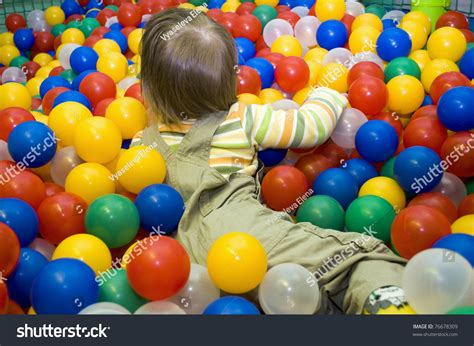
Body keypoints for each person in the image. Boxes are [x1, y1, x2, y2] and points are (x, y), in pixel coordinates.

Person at [132, 8, 413, 314]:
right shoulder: (240, 118)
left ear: (148, 86)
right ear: (230, 78)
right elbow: (310, 128)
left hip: (183, 264)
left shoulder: (143, 142)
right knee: (352, 262)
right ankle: (394, 309)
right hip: (247, 238)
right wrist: (328, 96)